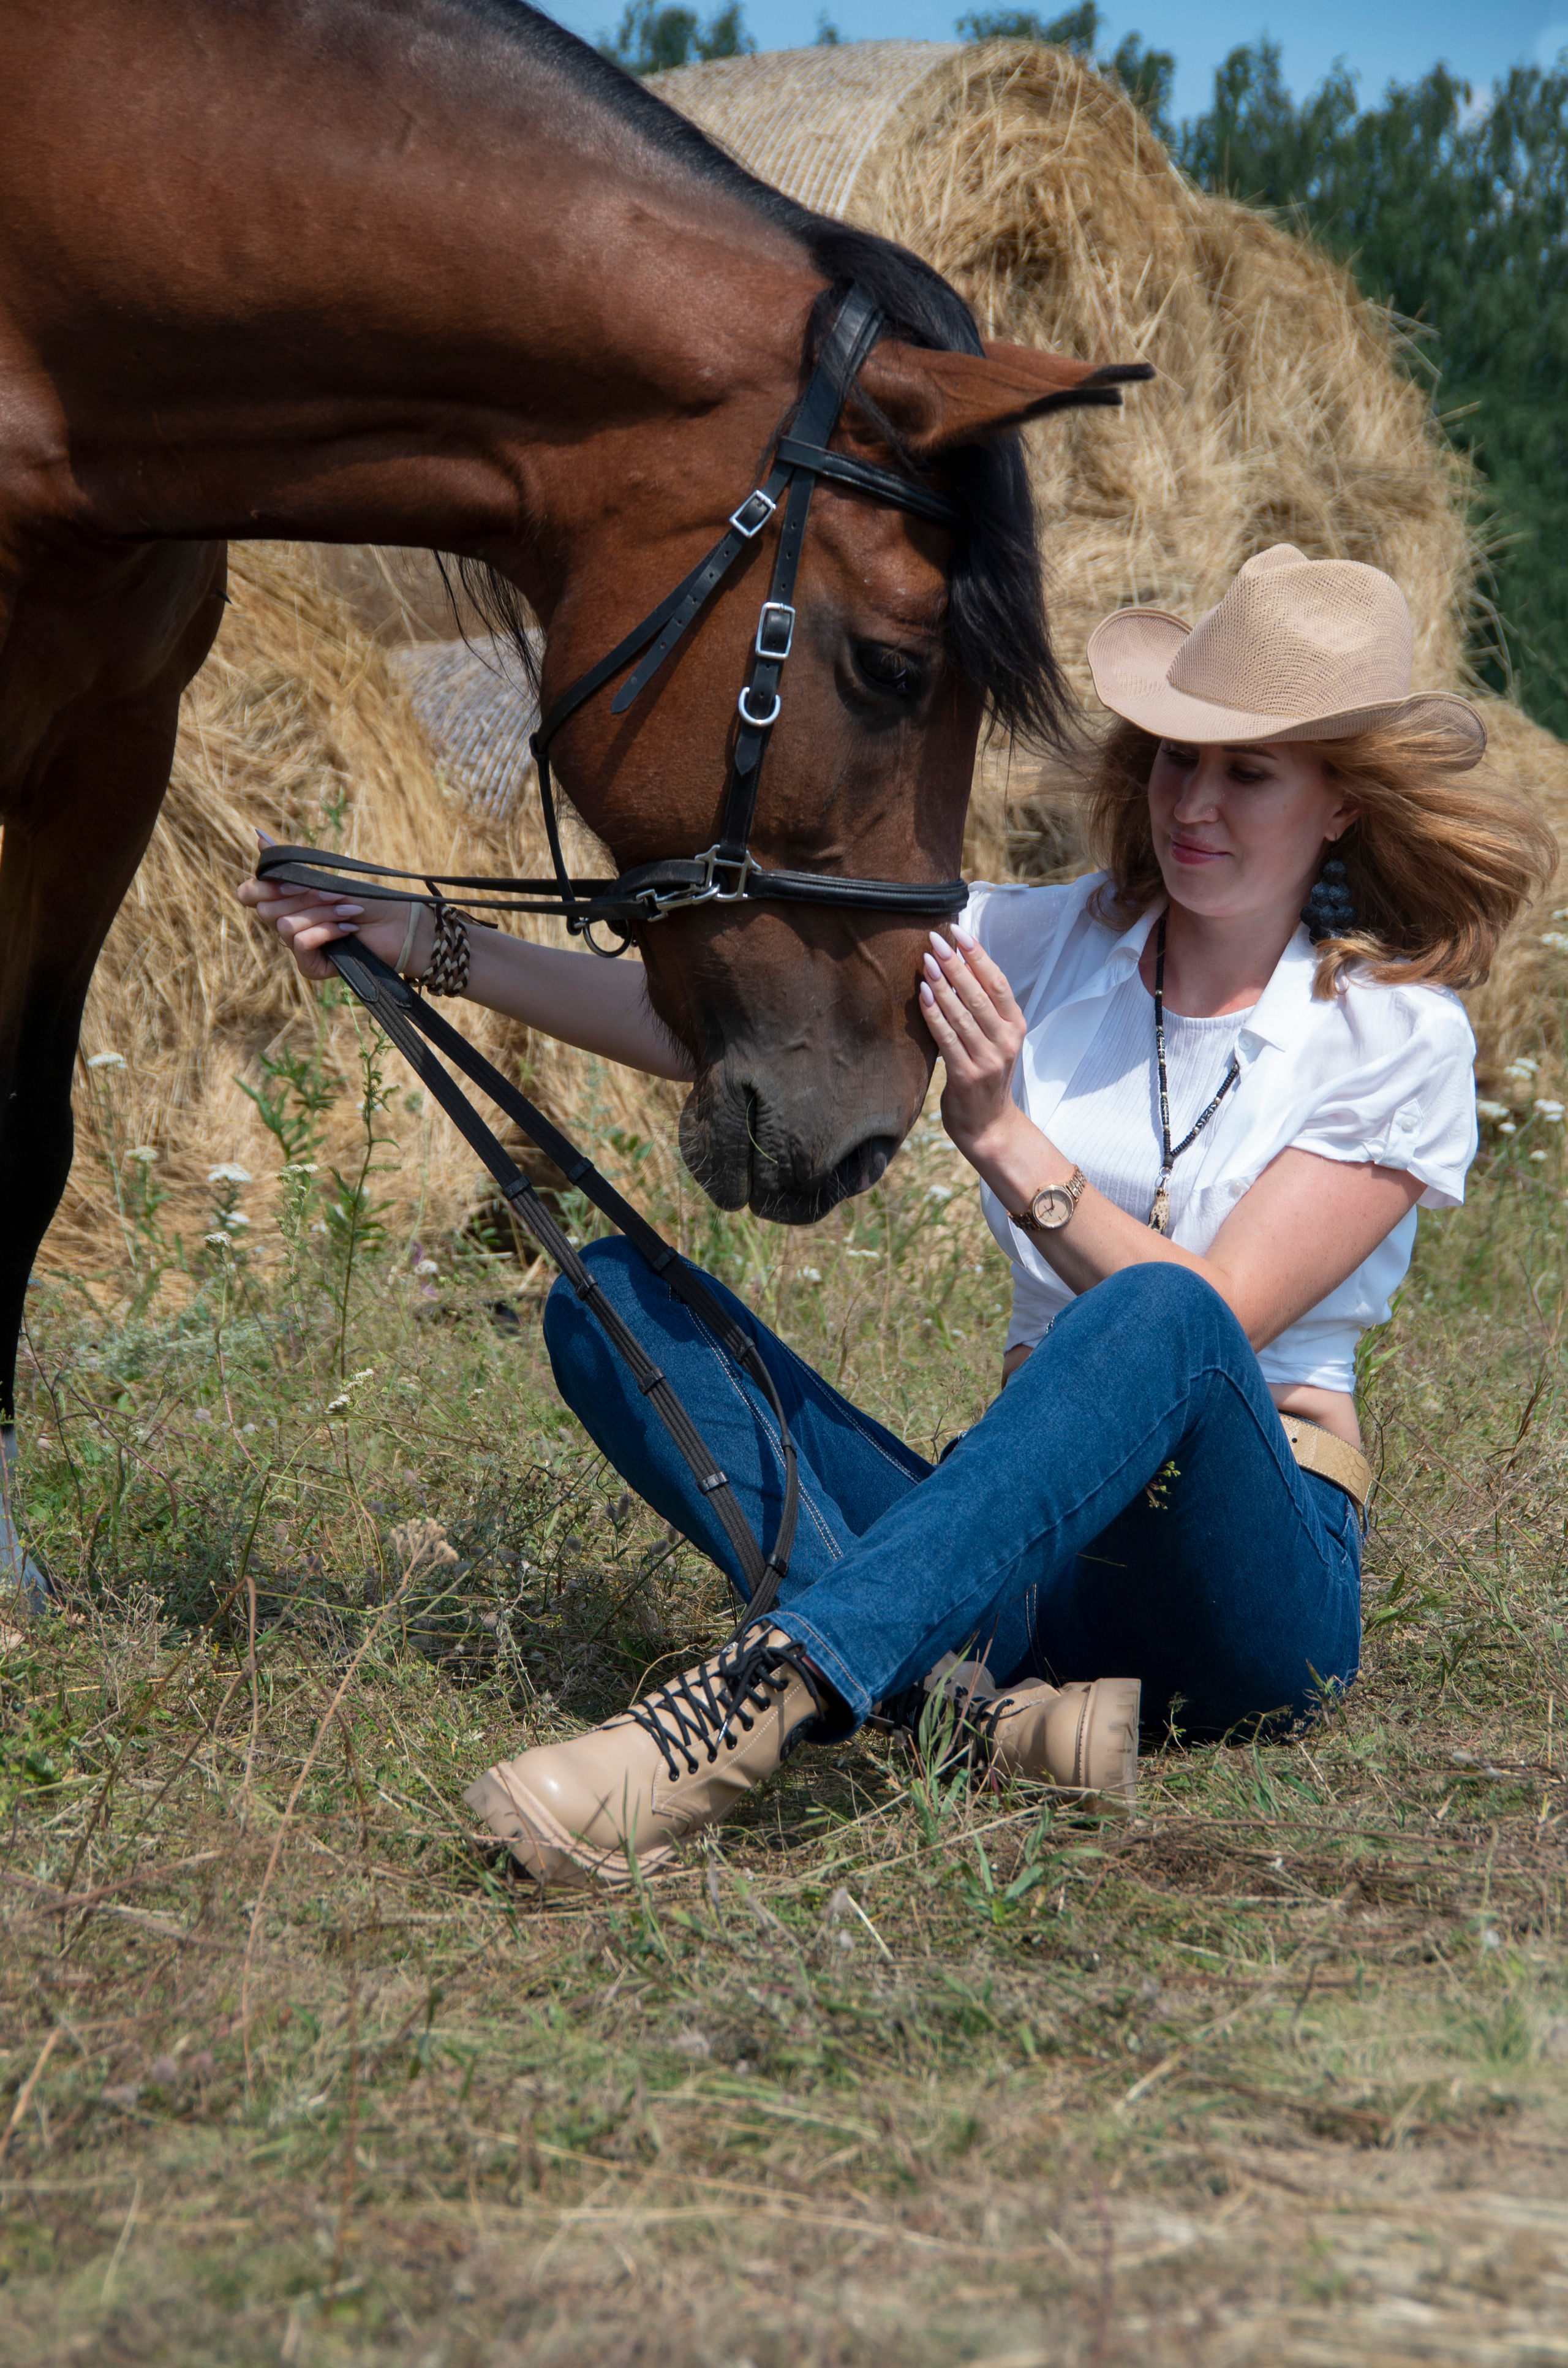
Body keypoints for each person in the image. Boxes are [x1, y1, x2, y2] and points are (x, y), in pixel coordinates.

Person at [240, 545, 1555, 1887]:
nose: (1190, 803)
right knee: (612, 1301)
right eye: (1171, 757)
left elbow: (1219, 1313)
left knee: (1160, 1310)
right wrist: (430, 943)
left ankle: (756, 1704)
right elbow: (716, 1018)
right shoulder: (1040, 943)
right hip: (1030, 1560)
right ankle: (976, 1718)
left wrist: (998, 1136)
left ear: (1339, 806)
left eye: (1246, 773)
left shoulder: (1395, 1034)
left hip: (1240, 1579)